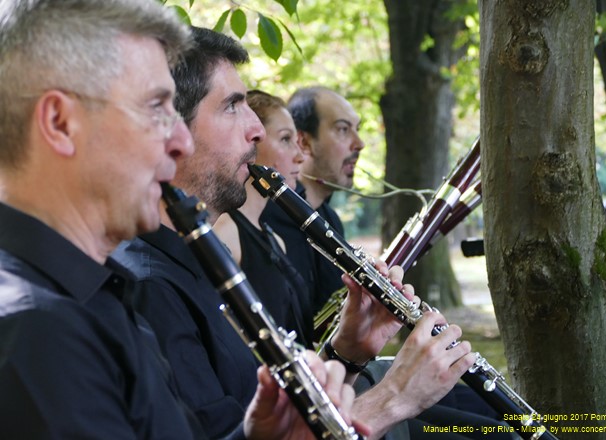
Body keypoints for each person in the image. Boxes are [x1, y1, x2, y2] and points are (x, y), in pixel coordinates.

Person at [0, 2, 357, 439]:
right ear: (60, 123)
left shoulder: (93, 293)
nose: (181, 140)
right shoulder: (39, 333)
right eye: (155, 108)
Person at [113, 27, 476, 440]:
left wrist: (348, 352)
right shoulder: (150, 289)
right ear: (172, 131)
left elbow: (281, 415)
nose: (256, 130)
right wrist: (392, 399)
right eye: (233, 106)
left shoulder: (201, 261)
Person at [262, 86, 514, 439]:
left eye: (358, 128)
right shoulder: (270, 231)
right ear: (306, 143)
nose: (360, 143)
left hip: (346, 384)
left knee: (486, 410)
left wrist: (356, 334)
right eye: (342, 129)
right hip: (335, 405)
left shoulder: (329, 222)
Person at [213, 90, 313, 346]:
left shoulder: (274, 238)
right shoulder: (225, 234)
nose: (299, 156)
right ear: (252, 142)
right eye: (285, 139)